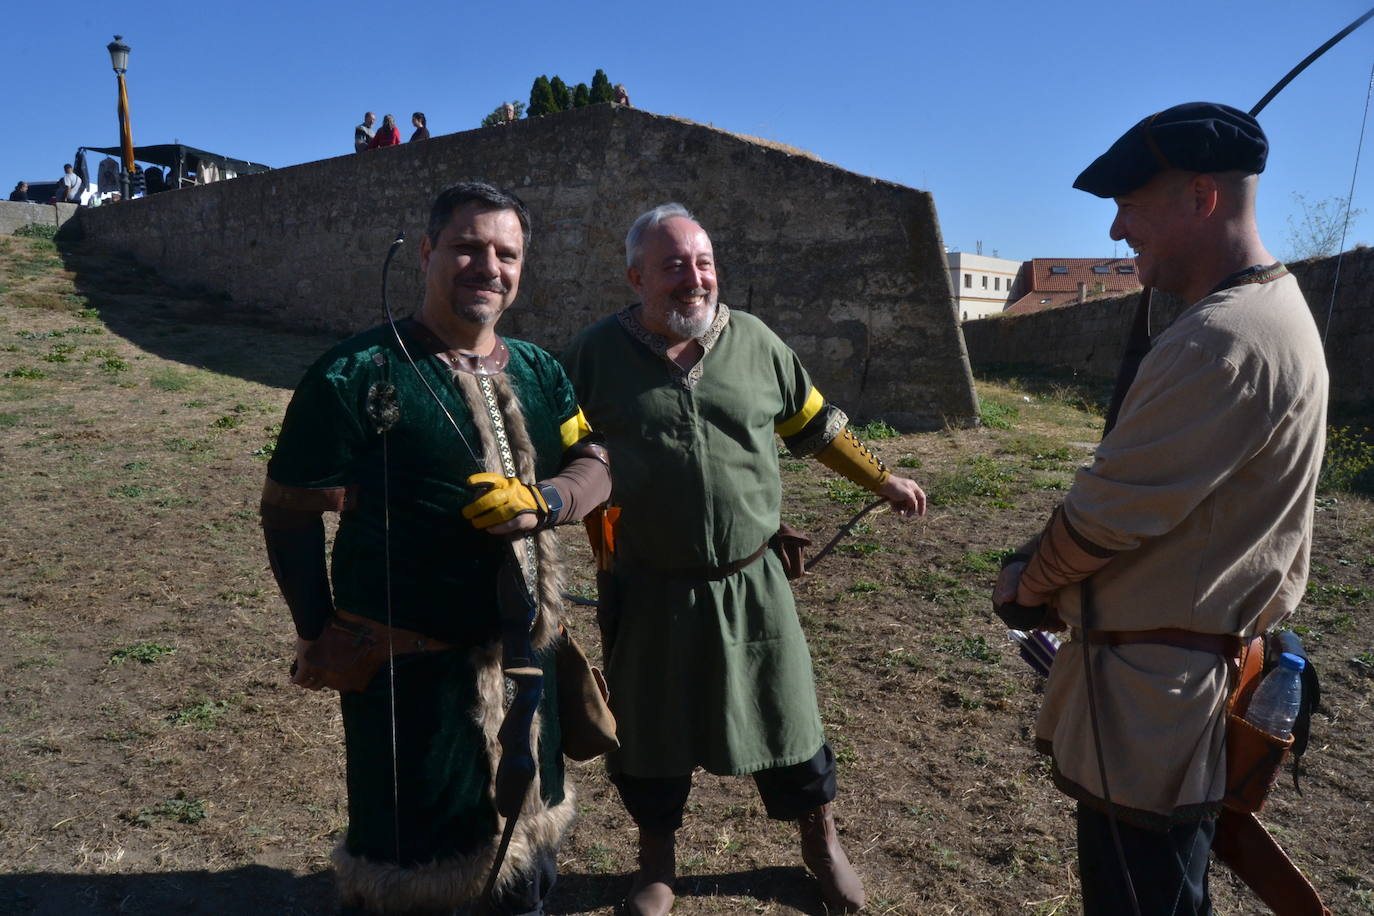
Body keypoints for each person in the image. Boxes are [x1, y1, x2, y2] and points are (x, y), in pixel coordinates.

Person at [993, 102, 1328, 915]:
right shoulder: (1254, 318)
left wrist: (1025, 585)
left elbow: (1106, 516)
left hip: (1155, 707)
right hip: (1162, 688)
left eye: (1131, 207)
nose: (1116, 231)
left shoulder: (1226, 338)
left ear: (1201, 198)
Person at [562, 203, 927, 916]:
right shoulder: (593, 356)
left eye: (702, 264)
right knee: (650, 729)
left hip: (751, 581)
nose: (692, 279)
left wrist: (883, 479)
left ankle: (822, 846)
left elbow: (817, 427)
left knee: (788, 718)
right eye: (672, 266)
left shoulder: (756, 342)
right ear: (636, 276)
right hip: (647, 585)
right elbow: (568, 459)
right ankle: (656, 866)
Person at [261, 181, 611, 916]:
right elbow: (289, 511)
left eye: (506, 254)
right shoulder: (355, 374)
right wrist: (319, 627)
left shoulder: (542, 371)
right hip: (408, 676)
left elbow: (597, 464)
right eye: (468, 248)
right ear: (427, 253)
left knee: (525, 861)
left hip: (526, 664)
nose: (488, 266)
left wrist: (549, 500)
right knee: (415, 871)